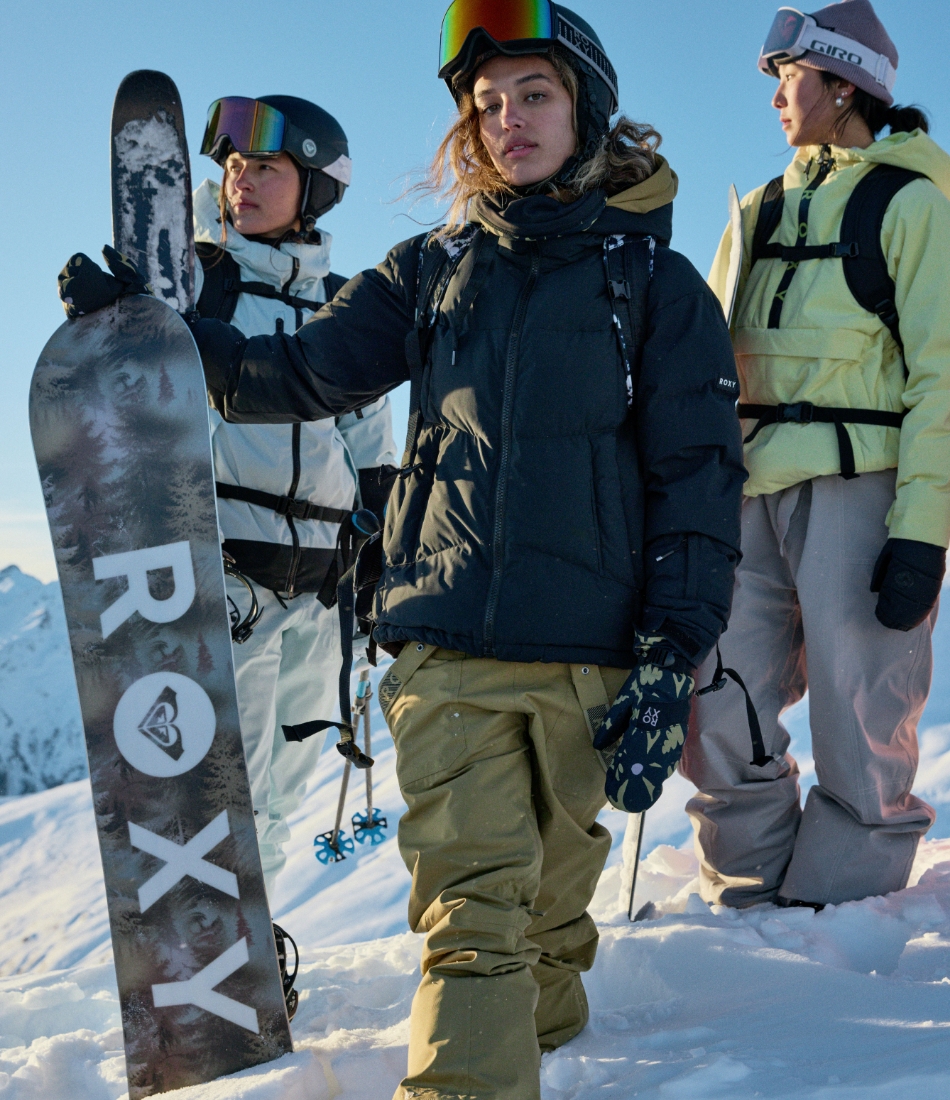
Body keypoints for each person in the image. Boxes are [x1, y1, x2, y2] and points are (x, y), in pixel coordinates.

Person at [58, 3, 745, 1095]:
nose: (507, 120)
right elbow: (299, 372)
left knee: (547, 904)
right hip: (445, 644)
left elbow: (698, 482)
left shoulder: (658, 288)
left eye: (533, 95)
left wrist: (674, 652)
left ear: (587, 109)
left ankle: (547, 1014)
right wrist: (163, 332)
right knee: (471, 913)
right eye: (487, 105)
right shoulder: (431, 268)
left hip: (590, 655)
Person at [683, 0, 950, 912]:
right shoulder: (757, 209)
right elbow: (707, 362)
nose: (774, 99)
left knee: (857, 704)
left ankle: (838, 924)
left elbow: (943, 377)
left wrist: (923, 531)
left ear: (843, 86)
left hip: (862, 486)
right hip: (746, 488)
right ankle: (745, 899)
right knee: (720, 696)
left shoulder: (913, 204)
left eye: (788, 79)